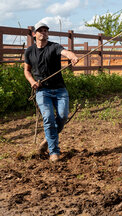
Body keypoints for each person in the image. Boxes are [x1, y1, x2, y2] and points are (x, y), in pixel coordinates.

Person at [23, 21, 79, 162]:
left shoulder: (54, 47)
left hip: (60, 90)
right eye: (40, 30)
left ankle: (47, 140)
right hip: (42, 91)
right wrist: (32, 82)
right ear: (34, 34)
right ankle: (54, 152)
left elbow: (65, 52)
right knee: (48, 118)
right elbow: (27, 71)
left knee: (62, 116)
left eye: (46, 30)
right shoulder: (30, 51)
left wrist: (71, 56)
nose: (44, 33)